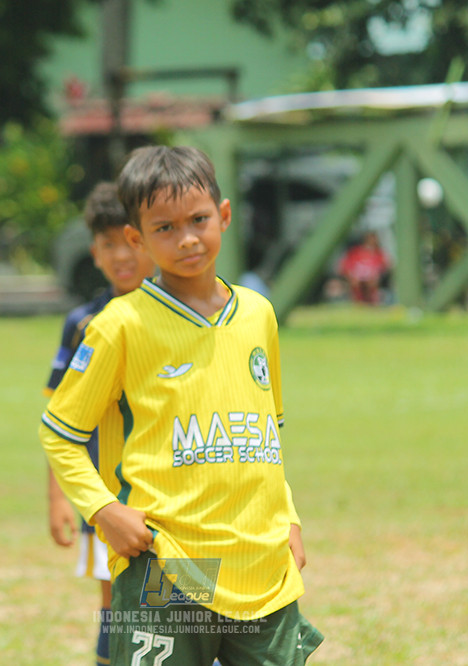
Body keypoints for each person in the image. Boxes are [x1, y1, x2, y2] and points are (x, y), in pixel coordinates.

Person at [40, 145, 323, 665]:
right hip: (165, 565)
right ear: (136, 238)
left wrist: (289, 519)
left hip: (261, 565)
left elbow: (267, 434)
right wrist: (105, 512)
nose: (188, 238)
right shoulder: (119, 325)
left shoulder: (258, 314)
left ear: (225, 215)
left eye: (198, 220)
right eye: (165, 228)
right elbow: (60, 432)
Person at [43, 181, 156, 666]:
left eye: (127, 241)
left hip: (166, 492)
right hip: (105, 497)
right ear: (94, 253)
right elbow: (59, 421)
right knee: (115, 604)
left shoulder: (173, 314)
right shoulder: (83, 322)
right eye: (106, 244)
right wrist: (56, 498)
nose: (119, 255)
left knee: (180, 609)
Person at [338, 230, 391, 305]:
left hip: (373, 280)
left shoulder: (380, 254)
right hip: (356, 280)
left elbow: (386, 267)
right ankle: (357, 303)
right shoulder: (354, 252)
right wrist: (351, 276)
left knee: (371, 283)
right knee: (356, 283)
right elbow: (343, 267)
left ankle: (372, 303)